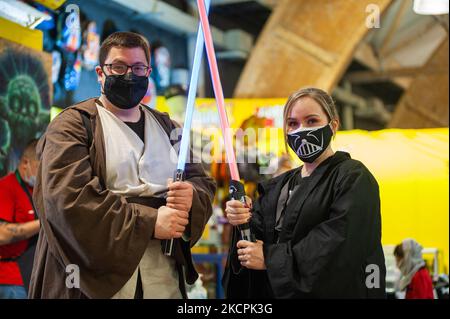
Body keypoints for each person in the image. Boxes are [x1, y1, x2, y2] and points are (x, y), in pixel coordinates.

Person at [29, 32, 216, 299]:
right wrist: (150, 222)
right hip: (92, 278)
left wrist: (191, 198)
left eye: (138, 68)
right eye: (118, 67)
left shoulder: (169, 128)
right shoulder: (72, 125)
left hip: (162, 277)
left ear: (148, 72)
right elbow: (67, 198)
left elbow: (202, 183)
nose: (129, 75)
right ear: (100, 73)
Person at [223, 87, 386, 298]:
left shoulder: (353, 178)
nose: (301, 130)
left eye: (311, 121)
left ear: (333, 125)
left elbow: (338, 242)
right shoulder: (277, 186)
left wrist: (271, 259)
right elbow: (256, 240)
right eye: (293, 124)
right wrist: (243, 217)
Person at [0, 139, 40, 299]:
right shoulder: (6, 187)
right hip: (12, 280)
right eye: (41, 166)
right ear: (25, 163)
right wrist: (44, 222)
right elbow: (2, 235)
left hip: (34, 275)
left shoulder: (37, 191)